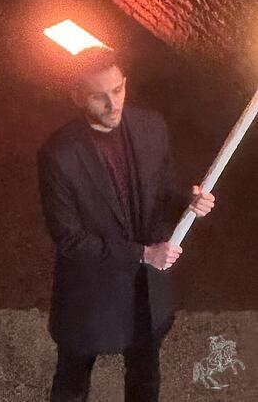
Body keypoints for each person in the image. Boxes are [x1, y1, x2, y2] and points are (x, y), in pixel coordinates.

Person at [37, 47, 216, 401]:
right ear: (77, 96)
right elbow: (69, 240)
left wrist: (189, 201)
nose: (113, 104)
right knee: (72, 381)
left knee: (145, 378)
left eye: (117, 90)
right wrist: (143, 253)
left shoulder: (151, 126)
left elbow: (162, 192)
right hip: (91, 292)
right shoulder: (58, 155)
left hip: (146, 291)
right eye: (99, 96)